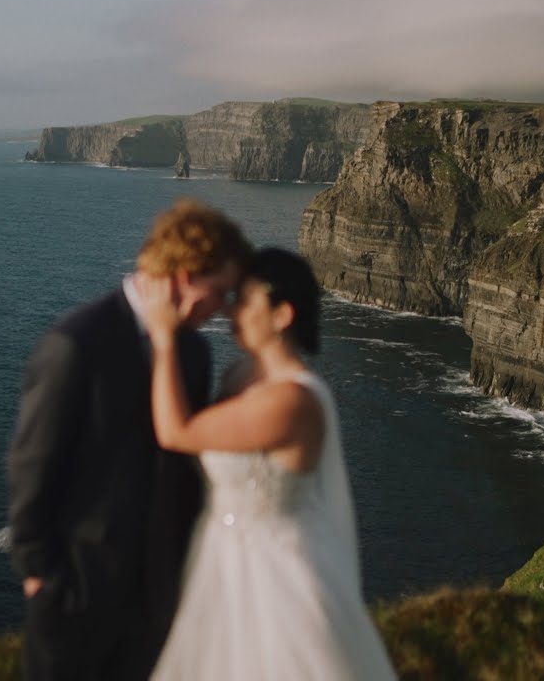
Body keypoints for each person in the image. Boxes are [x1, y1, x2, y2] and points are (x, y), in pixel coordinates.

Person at [6, 197, 253, 681]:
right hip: (77, 594)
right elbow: (31, 465)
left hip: (157, 601)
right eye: (220, 291)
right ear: (186, 275)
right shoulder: (75, 344)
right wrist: (43, 577)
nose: (225, 307)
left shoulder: (194, 352)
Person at [141, 247, 399, 681]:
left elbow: (177, 432)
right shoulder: (238, 377)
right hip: (221, 562)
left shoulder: (292, 401)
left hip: (276, 580)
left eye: (244, 300)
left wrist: (163, 336)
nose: (231, 310)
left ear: (282, 315)